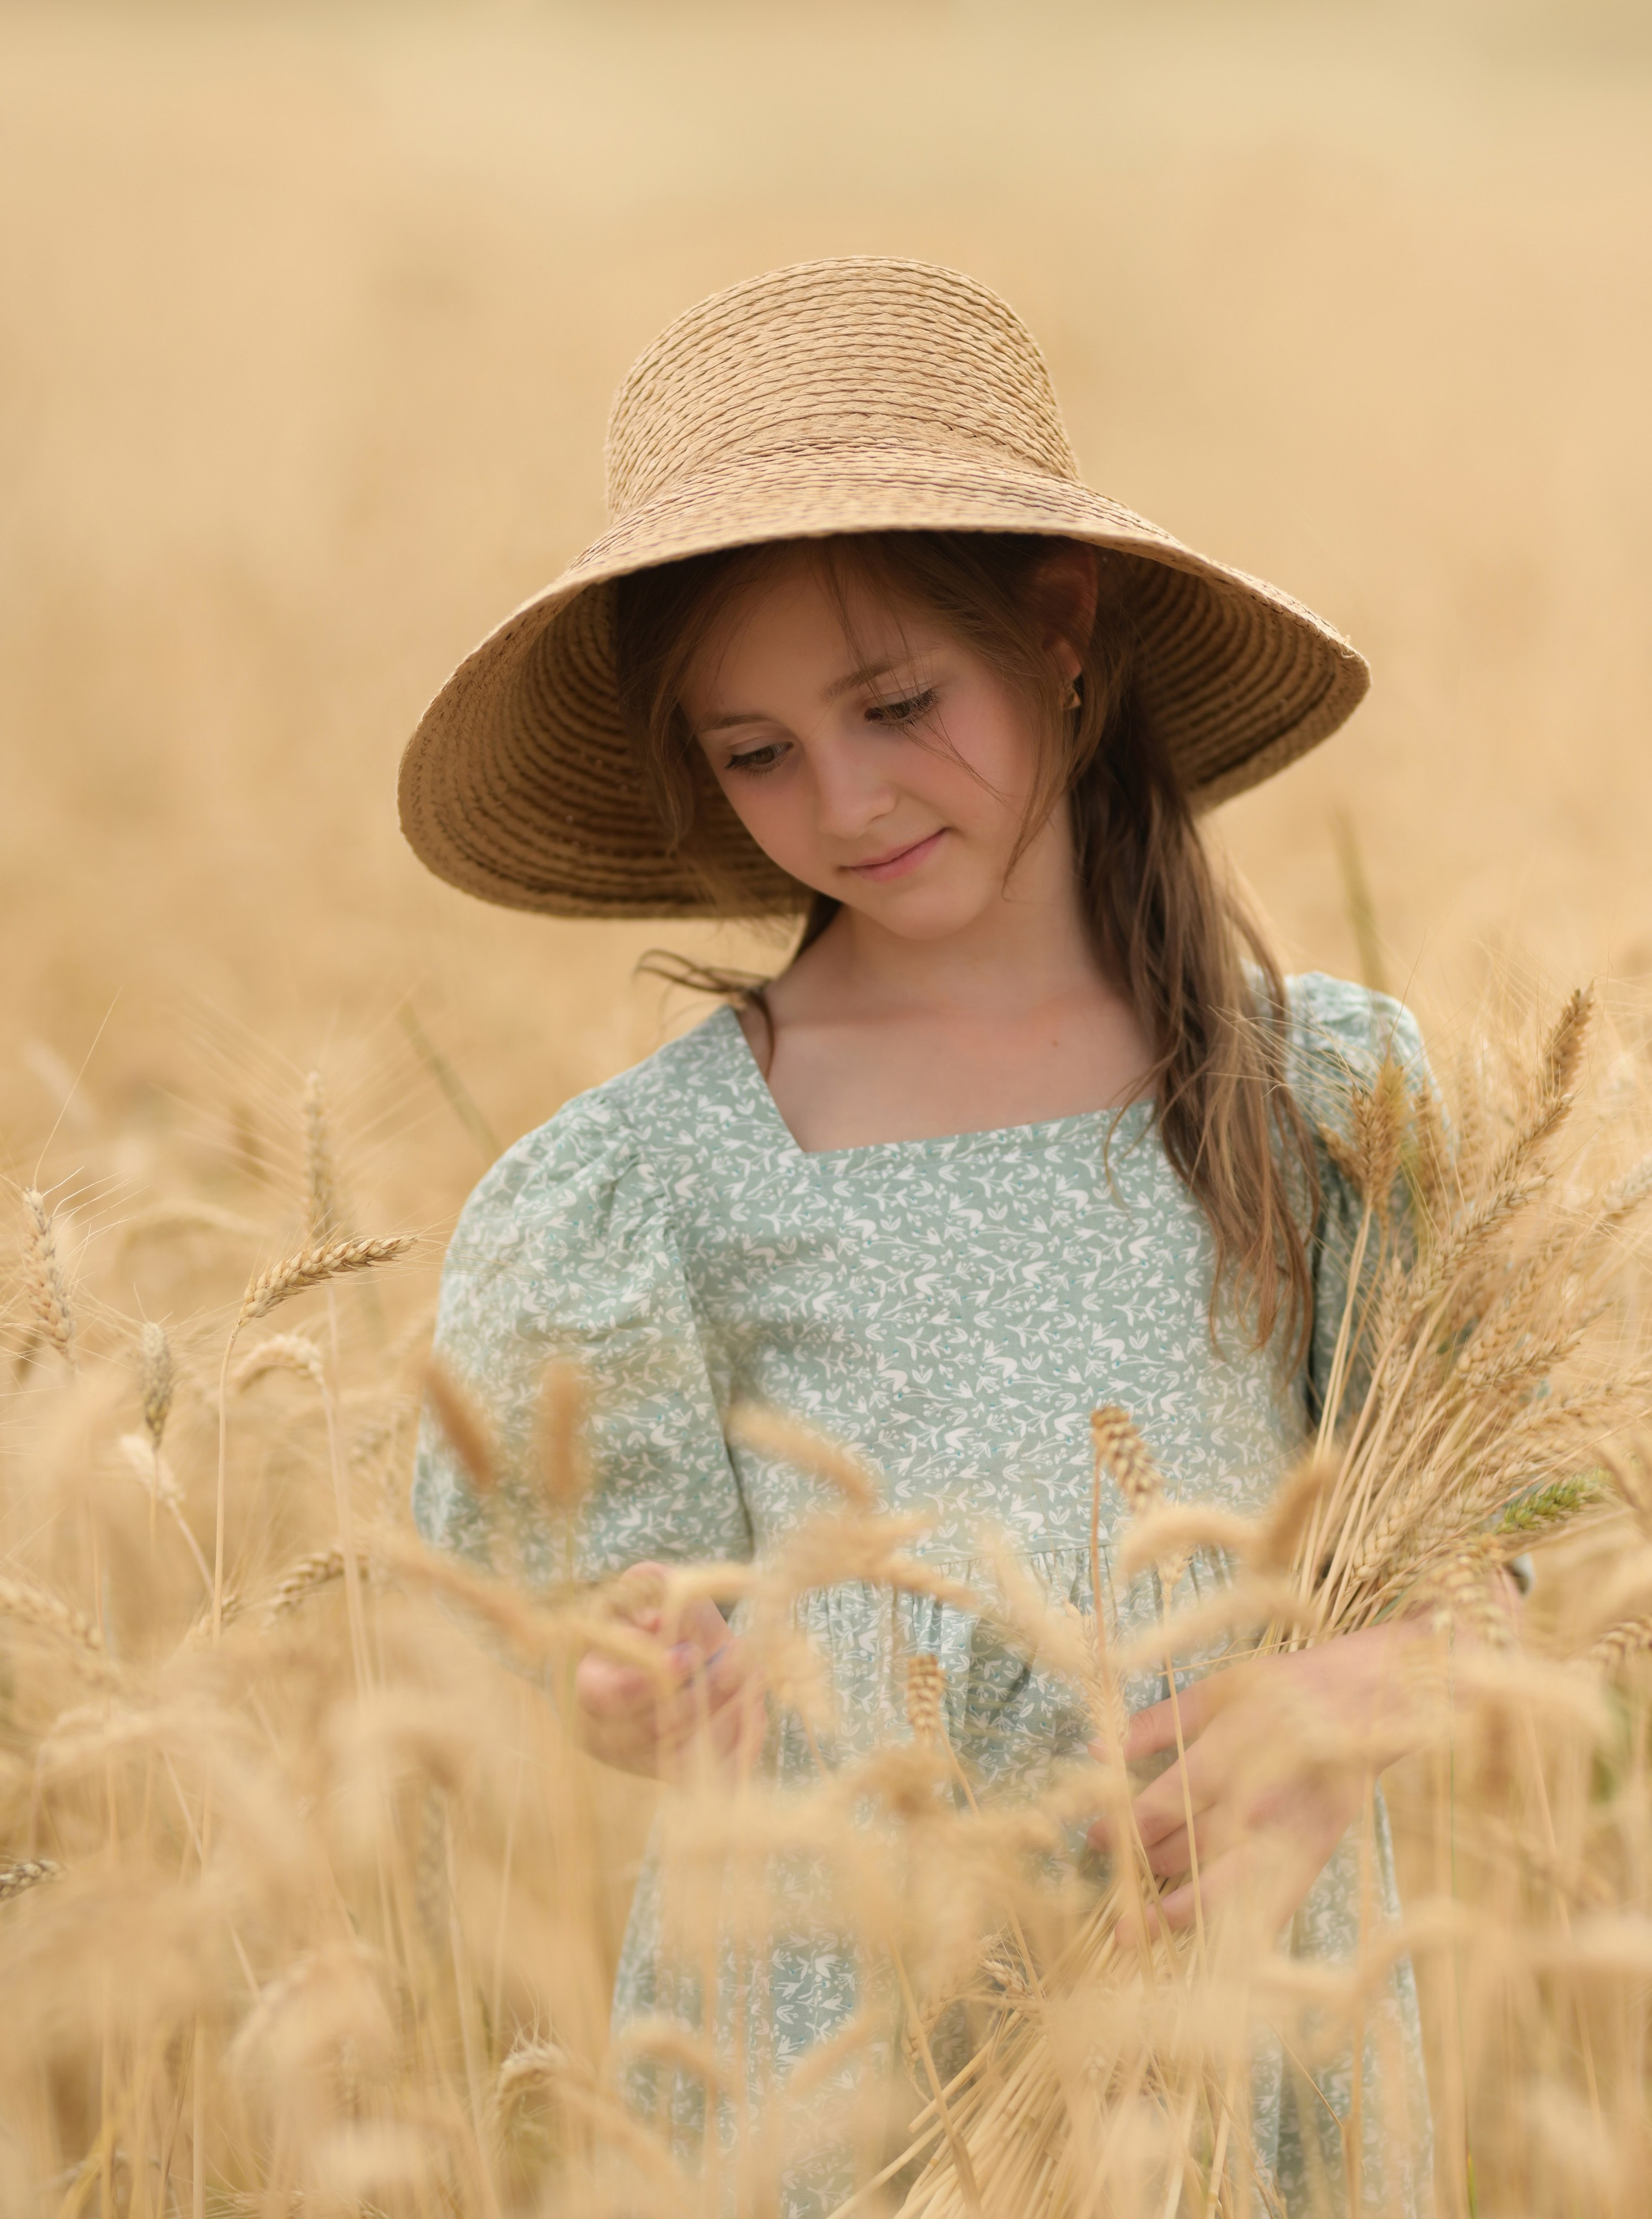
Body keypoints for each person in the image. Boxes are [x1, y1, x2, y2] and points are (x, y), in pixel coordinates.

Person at [403, 257, 1431, 2212]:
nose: (846, 799)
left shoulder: (1317, 1104)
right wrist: (634, 1679)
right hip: (848, 2069)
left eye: (892, 704)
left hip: (1240, 2036)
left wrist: (1367, 1691)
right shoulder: (664, 1180)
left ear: (1061, 629)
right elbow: (591, 1618)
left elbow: (1503, 1522)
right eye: (754, 750)